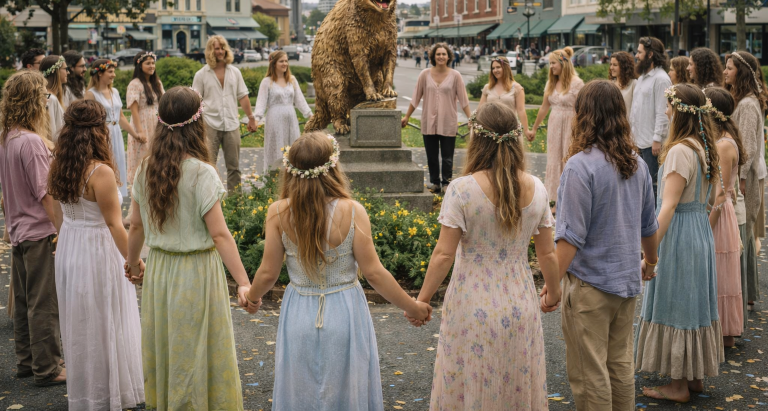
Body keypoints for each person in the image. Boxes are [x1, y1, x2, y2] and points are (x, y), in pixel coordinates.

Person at [244, 131, 431, 410]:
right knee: (347, 390)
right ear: (333, 168)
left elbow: (268, 273)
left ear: (290, 171)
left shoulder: (278, 212)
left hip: (299, 313)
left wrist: (251, 296)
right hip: (345, 311)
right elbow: (375, 273)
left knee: (301, 390)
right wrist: (413, 307)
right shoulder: (353, 211)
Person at [412, 102, 559, 410]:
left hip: (471, 304)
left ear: (476, 140)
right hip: (521, 301)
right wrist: (553, 293)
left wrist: (422, 301)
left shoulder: (462, 190)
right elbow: (547, 252)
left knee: (471, 382)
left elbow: (443, 255)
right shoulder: (538, 188)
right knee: (515, 383)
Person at [125, 87, 254, 410]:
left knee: (169, 343)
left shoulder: (145, 169)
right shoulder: (202, 173)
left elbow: (136, 225)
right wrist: (242, 281)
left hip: (160, 270)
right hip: (197, 271)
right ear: (198, 124)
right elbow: (221, 235)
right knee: (196, 345)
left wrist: (133, 263)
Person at [540, 80, 659, 410]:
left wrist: (551, 288)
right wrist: (650, 263)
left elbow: (570, 239)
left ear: (583, 116)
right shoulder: (637, 164)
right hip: (627, 282)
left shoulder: (580, 166)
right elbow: (649, 226)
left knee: (589, 373)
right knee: (619, 365)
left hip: (590, 286)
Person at [48, 100, 144, 410]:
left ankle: (93, 390)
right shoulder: (99, 171)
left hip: (70, 245)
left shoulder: (59, 163)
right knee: (105, 319)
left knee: (83, 320)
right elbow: (115, 225)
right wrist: (134, 260)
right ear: (100, 131)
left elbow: (55, 205)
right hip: (97, 250)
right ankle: (109, 393)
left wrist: (64, 232)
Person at [635, 83, 724, 404]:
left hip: (680, 237)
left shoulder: (678, 152)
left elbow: (667, 207)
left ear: (679, 112)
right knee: (694, 300)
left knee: (677, 302)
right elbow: (716, 198)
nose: (665, 111)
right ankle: (694, 376)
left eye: (669, 106)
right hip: (699, 230)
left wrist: (651, 255)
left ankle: (677, 385)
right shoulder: (704, 148)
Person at [0, 71, 66, 386]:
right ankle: (48, 367)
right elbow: (46, 194)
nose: (45, 102)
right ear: (32, 101)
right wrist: (62, 231)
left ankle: (27, 362)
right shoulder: (30, 143)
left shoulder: (7, 138)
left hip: (17, 230)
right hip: (39, 232)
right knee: (44, 303)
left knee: (26, 300)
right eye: (42, 97)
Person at [704, 87, 745, 347]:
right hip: (724, 211)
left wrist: (707, 227)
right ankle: (725, 331)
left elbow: (719, 193)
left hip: (719, 214)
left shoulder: (723, 145)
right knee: (723, 270)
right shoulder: (726, 139)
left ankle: (723, 332)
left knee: (718, 269)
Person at [724, 50, 766, 311]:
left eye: (730, 68)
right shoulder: (744, 101)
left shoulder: (748, 105)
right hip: (744, 176)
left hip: (747, 178)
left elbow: (747, 147)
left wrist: (738, 179)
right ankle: (746, 292)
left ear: (742, 73)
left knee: (743, 234)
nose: (725, 71)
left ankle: (745, 293)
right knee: (744, 235)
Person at [401, 43, 471, 193]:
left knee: (447, 156)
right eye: (438, 54)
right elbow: (415, 97)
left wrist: (471, 118)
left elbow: (464, 100)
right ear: (433, 56)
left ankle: (446, 183)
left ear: (448, 57)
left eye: (443, 54)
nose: (441, 57)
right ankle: (435, 182)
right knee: (431, 155)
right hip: (429, 121)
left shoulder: (455, 76)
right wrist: (407, 116)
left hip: (448, 121)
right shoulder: (425, 75)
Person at [192, 35, 257, 192]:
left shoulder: (235, 72)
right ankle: (209, 200)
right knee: (208, 167)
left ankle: (235, 203)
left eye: (222, 48)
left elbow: (242, 96)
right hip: (209, 125)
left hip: (231, 124)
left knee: (234, 167)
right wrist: (196, 126)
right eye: (216, 48)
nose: (220, 51)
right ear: (210, 51)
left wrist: (251, 118)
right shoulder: (201, 74)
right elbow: (195, 102)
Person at [528, 47, 584, 212]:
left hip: (571, 125)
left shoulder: (577, 83)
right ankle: (553, 201)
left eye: (553, 63)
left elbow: (583, 109)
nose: (551, 67)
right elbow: (544, 108)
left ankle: (570, 199)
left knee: (568, 159)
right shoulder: (551, 83)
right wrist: (534, 128)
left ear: (563, 64)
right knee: (553, 160)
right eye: (550, 63)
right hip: (554, 125)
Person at [85, 59, 144, 200]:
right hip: (101, 134)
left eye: (114, 71)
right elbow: (88, 120)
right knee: (106, 167)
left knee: (118, 165)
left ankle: (118, 202)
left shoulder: (115, 91)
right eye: (110, 72)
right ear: (100, 73)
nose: (114, 75)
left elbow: (121, 117)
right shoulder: (91, 94)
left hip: (116, 133)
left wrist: (135, 134)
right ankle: (106, 199)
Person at [253, 50, 313, 174]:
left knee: (292, 147)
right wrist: (256, 119)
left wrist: (310, 115)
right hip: (274, 119)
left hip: (291, 118)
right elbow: (261, 103)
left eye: (286, 61)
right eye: (281, 61)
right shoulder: (267, 82)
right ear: (274, 64)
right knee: (276, 148)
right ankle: (273, 177)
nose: (284, 63)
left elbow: (300, 100)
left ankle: (293, 175)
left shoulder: (292, 80)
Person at [629, 37, 672, 199]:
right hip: (638, 142)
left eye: (640, 52)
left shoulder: (661, 79)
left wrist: (657, 139)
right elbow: (636, 111)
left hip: (651, 145)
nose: (636, 55)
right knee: (640, 186)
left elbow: (663, 112)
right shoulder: (641, 78)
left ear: (650, 55)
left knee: (651, 189)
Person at [126, 51, 164, 186]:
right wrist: (140, 131)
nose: (151, 66)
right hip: (142, 123)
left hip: (156, 124)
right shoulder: (135, 84)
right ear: (139, 65)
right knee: (142, 159)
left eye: (153, 63)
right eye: (148, 63)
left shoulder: (157, 83)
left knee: (157, 157)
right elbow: (134, 110)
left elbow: (162, 103)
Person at [478, 55, 529, 132]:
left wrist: (526, 130)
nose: (495, 70)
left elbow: (521, 110)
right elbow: (480, 109)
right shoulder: (487, 87)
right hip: (490, 130)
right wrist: (473, 122)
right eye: (493, 68)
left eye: (498, 67)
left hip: (510, 130)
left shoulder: (517, 88)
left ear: (506, 68)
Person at [38, 55, 68, 141]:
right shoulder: (50, 99)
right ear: (56, 71)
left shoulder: (51, 97)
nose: (68, 72)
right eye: (65, 69)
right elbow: (52, 133)